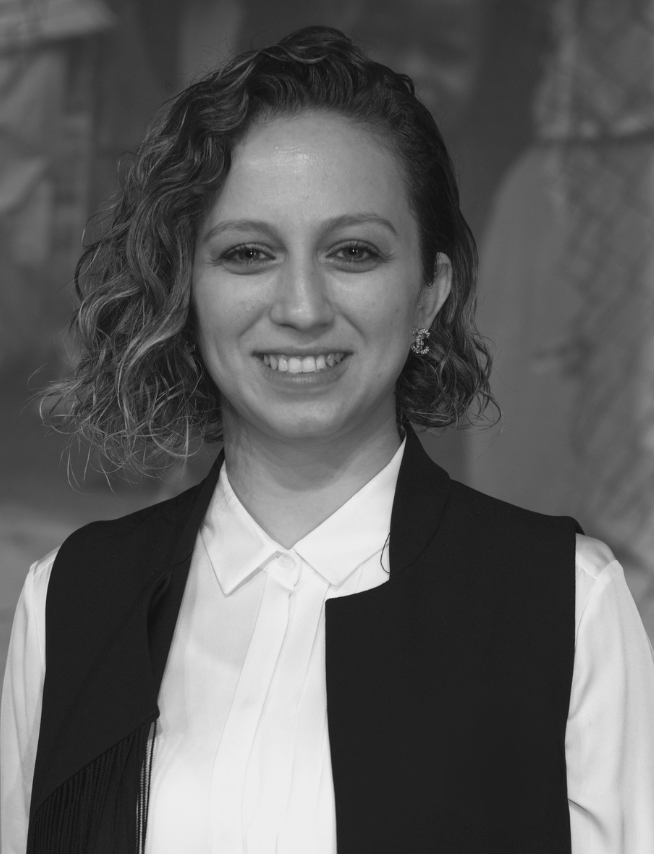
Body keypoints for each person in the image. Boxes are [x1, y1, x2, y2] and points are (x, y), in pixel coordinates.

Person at [2, 25, 654, 854]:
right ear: (186, 291)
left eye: (352, 252)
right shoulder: (70, 600)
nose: (303, 306)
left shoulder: (567, 604)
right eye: (247, 253)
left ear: (428, 295)